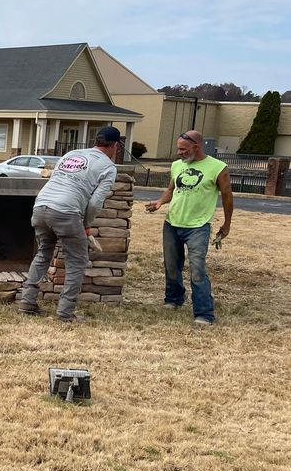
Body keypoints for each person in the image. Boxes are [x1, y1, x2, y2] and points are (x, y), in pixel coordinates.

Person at [18, 126, 121, 322]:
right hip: (66, 211)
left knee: (42, 255)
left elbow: (56, 179)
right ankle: (65, 313)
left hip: (40, 206)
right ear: (115, 146)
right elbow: (95, 202)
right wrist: (86, 224)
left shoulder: (72, 154)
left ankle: (27, 303)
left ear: (96, 142)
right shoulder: (108, 167)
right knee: (77, 261)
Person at [145, 130, 232, 326]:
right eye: (178, 149)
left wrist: (227, 224)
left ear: (196, 147)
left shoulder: (218, 167)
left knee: (197, 269)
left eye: (183, 149)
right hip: (172, 223)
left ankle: (204, 313)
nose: (179, 153)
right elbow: (171, 189)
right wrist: (160, 202)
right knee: (171, 265)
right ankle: (174, 299)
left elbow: (227, 196)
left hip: (198, 227)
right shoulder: (177, 165)